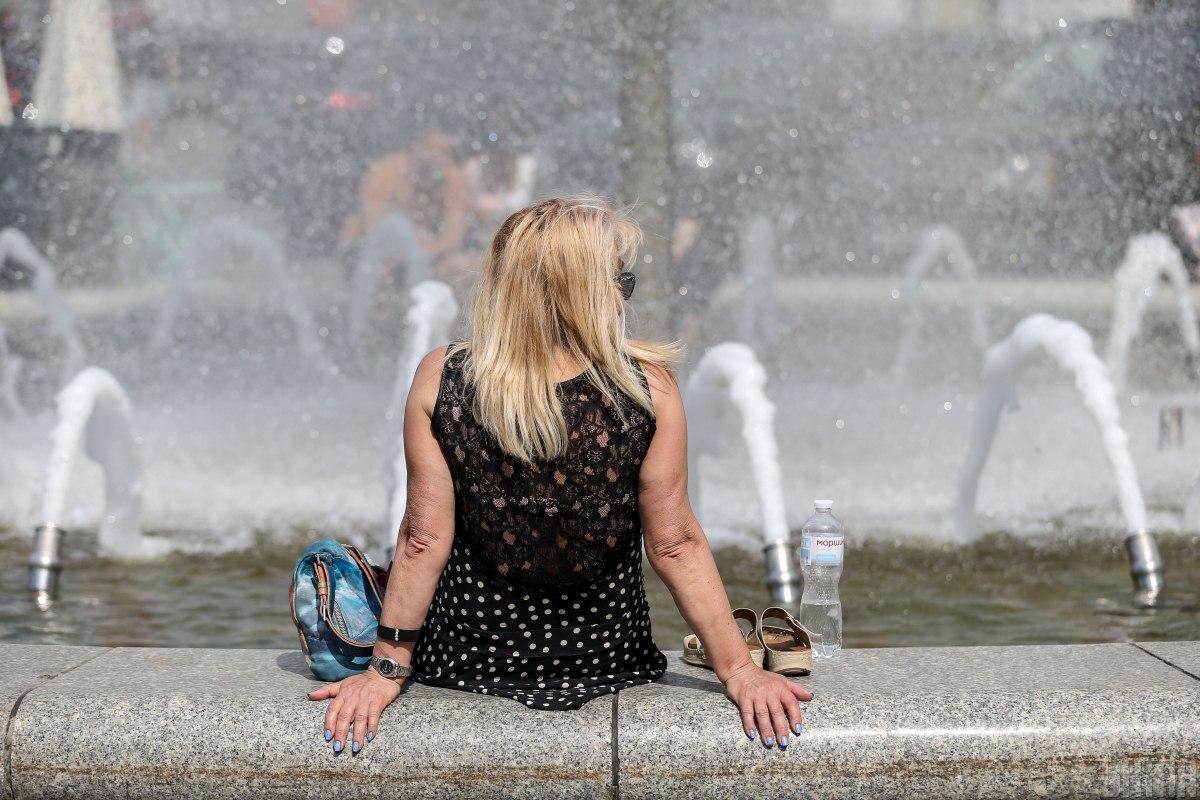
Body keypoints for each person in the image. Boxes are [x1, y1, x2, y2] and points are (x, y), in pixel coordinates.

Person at [307, 196, 809, 752]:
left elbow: (423, 540)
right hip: (608, 659)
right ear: (586, 291)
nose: (625, 294)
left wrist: (384, 673)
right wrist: (739, 671)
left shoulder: (442, 378)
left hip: (467, 657)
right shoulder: (647, 390)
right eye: (620, 281)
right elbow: (674, 545)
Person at [339, 123, 469, 355]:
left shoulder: (452, 177)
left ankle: (435, 345)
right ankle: (359, 341)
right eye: (435, 150)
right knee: (394, 236)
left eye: (447, 152)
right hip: (366, 249)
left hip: (422, 254)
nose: (441, 158)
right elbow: (376, 228)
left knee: (457, 268)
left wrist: (426, 249)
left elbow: (453, 237)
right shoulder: (386, 172)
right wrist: (415, 245)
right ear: (416, 149)